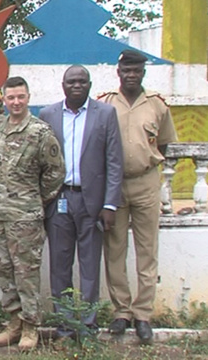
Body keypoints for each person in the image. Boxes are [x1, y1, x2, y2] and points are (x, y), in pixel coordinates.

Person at [39, 65, 123, 342]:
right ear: (63, 85)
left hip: (93, 202)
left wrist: (110, 205)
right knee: (60, 265)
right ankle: (64, 325)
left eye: (82, 81)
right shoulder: (48, 114)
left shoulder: (106, 114)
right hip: (59, 199)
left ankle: (87, 325)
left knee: (89, 265)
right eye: (71, 81)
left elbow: (114, 161)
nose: (76, 85)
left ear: (89, 84)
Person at [98, 49, 177, 345]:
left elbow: (166, 144)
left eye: (137, 70)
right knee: (114, 249)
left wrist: (148, 165)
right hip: (114, 186)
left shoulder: (157, 105)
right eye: (127, 70)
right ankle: (122, 311)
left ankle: (143, 314)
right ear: (118, 72)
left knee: (147, 251)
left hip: (146, 183)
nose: (131, 75)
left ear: (143, 72)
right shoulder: (106, 103)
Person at [0, 76, 65, 352]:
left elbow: (55, 172)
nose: (16, 102)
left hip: (26, 218)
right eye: (11, 98)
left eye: (21, 97)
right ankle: (13, 322)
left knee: (26, 273)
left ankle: (31, 325)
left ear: (28, 98)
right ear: (4, 99)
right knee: (3, 271)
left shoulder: (41, 132)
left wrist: (36, 198)